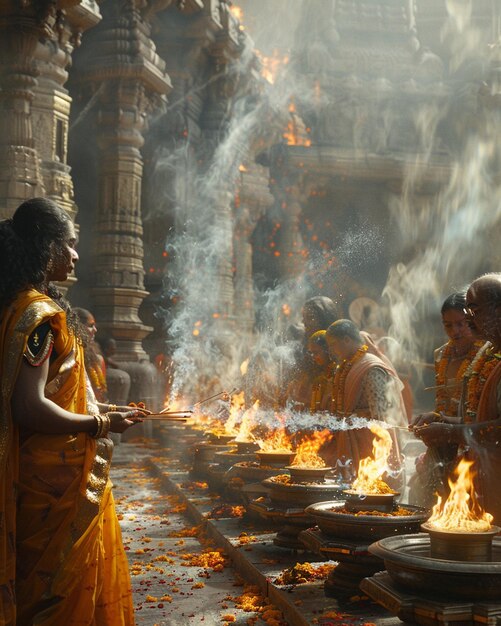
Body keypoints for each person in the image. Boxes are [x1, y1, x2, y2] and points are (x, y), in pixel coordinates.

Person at [0, 198, 144, 624]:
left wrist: (109, 408)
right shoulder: (38, 317)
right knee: (53, 593)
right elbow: (29, 405)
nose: (76, 254)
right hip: (51, 481)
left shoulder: (22, 305)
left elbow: (60, 390)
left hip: (51, 471)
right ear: (47, 247)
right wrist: (100, 423)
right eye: (70, 243)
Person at [413, 273, 501, 523]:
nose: (469, 322)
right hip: (481, 477)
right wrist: (443, 422)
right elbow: (477, 417)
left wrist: (450, 432)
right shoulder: (489, 350)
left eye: (473, 311)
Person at [409, 292, 483, 507]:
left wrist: (446, 426)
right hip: (442, 442)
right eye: (448, 325)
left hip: (473, 441)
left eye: (461, 324)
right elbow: (444, 402)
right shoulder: (441, 354)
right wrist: (435, 418)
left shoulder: (486, 355)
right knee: (429, 502)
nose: (455, 331)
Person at [324, 319, 406, 484]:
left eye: (333, 344)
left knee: (372, 485)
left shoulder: (371, 367)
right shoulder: (350, 363)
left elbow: (381, 415)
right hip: (353, 437)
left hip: (370, 440)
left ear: (347, 339)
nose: (331, 350)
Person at [306, 330, 333, 412]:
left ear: (328, 350)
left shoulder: (337, 373)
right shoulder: (320, 375)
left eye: (316, 353)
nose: (313, 357)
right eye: (311, 353)